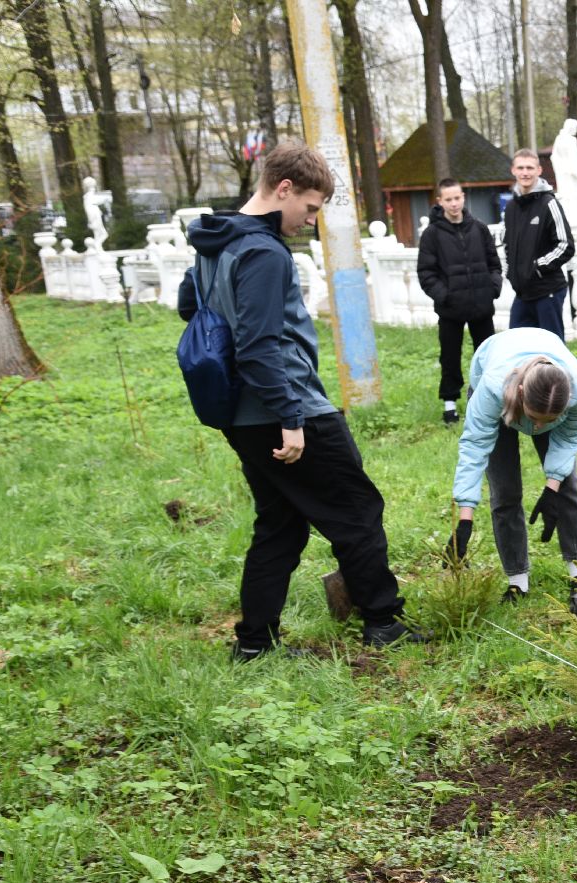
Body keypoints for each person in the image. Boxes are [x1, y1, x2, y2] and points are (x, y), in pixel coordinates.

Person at [178, 141, 425, 659]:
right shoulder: (263, 252)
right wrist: (291, 418)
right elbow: (260, 345)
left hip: (239, 414)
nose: (310, 220)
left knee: (281, 524)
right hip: (285, 408)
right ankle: (382, 620)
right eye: (309, 207)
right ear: (284, 188)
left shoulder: (214, 241)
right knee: (357, 509)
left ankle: (255, 644)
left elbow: (189, 306)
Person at [448, 327, 577, 619]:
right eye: (534, 420)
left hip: (543, 394)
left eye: (549, 421)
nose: (539, 428)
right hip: (502, 399)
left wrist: (552, 486)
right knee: (505, 491)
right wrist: (464, 520)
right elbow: (475, 446)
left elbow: (569, 438)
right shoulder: (493, 388)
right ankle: (517, 580)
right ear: (520, 394)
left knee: (568, 485)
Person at [417, 178, 502, 426]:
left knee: (487, 355)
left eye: (457, 198)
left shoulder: (479, 228)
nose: (454, 203)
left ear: (463, 197)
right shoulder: (431, 235)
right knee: (450, 356)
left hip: (481, 306)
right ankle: (450, 404)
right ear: (440, 201)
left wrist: (492, 288)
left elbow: (494, 263)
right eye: (448, 199)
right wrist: (446, 296)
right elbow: (426, 273)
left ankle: (488, 399)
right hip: (451, 310)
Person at [504, 148, 575, 339]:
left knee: (551, 348)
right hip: (522, 293)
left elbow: (565, 245)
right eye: (521, 168)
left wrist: (536, 267)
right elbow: (508, 245)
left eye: (529, 168)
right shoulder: (511, 207)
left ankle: (560, 371)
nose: (525, 172)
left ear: (539, 171)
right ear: (513, 170)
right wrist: (512, 272)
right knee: (518, 345)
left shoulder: (548, 203)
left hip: (548, 291)